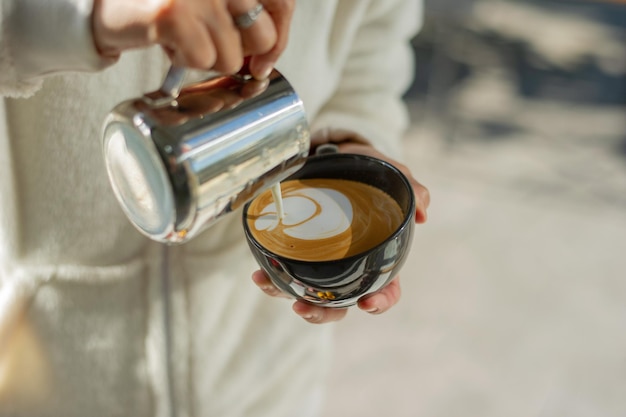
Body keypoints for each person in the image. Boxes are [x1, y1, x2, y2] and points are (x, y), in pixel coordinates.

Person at [0, 0, 430, 416]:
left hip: (268, 380)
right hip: (48, 378)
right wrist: (78, 16)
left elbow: (374, 39)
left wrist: (352, 141)